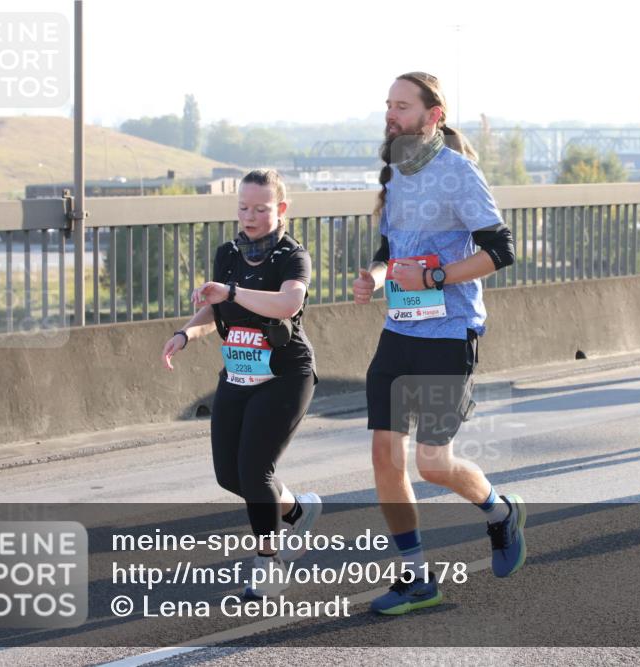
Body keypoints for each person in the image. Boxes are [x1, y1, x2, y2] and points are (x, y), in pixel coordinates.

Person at [353, 71, 522, 616]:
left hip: (449, 332)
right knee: (384, 455)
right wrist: (376, 276)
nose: (391, 114)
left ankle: (499, 511)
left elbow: (500, 251)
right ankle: (416, 578)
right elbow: (389, 246)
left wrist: (432, 279)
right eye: (388, 105)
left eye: (402, 106)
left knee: (432, 463)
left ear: (434, 115)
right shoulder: (395, 170)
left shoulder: (458, 173)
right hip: (399, 331)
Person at [161, 168, 321, 597]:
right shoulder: (228, 254)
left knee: (255, 471)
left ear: (281, 209)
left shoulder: (292, 256)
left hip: (285, 375)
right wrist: (185, 334)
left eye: (261, 208)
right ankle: (297, 510)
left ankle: (268, 565)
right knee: (229, 475)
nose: (249, 216)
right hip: (237, 373)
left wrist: (230, 292)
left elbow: (288, 302)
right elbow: (215, 310)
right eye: (243, 207)